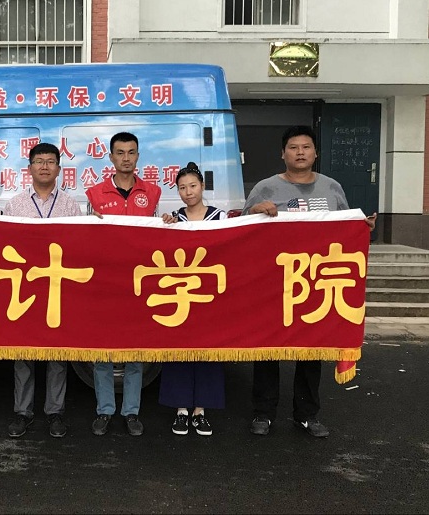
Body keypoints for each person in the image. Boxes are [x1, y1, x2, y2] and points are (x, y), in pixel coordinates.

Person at [242, 125, 377, 438]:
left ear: (315, 153)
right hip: (273, 284)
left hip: (315, 284)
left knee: (311, 350)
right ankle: (263, 413)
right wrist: (256, 210)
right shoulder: (265, 187)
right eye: (293, 147)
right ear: (283, 154)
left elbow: (344, 228)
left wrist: (361, 227)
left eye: (306, 147)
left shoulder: (331, 188)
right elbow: (241, 230)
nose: (300, 152)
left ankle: (306, 414)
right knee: (267, 350)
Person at [85, 131, 162, 437]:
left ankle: (131, 411)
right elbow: (87, 238)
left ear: (138, 156)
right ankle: (104, 410)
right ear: (111, 157)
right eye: (120, 152)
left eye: (131, 152)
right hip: (105, 285)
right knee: (103, 354)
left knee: (135, 353)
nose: (126, 158)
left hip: (139, 285)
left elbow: (158, 234)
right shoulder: (95, 194)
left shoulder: (153, 192)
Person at [3, 142, 83, 439]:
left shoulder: (70, 205)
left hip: (58, 286)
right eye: (39, 161)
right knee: (23, 351)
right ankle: (22, 412)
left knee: (56, 353)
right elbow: (6, 246)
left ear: (59, 169)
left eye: (50, 161)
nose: (45, 166)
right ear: (30, 168)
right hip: (25, 286)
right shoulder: (14, 205)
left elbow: (77, 245)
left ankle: (55, 412)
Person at [159, 162, 226, 436]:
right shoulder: (174, 219)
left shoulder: (220, 218)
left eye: (193, 186)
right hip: (181, 293)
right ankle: (181, 410)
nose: (188, 192)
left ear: (203, 187)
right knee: (179, 350)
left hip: (210, 295)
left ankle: (200, 411)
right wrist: (164, 226)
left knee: (207, 352)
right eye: (182, 188)